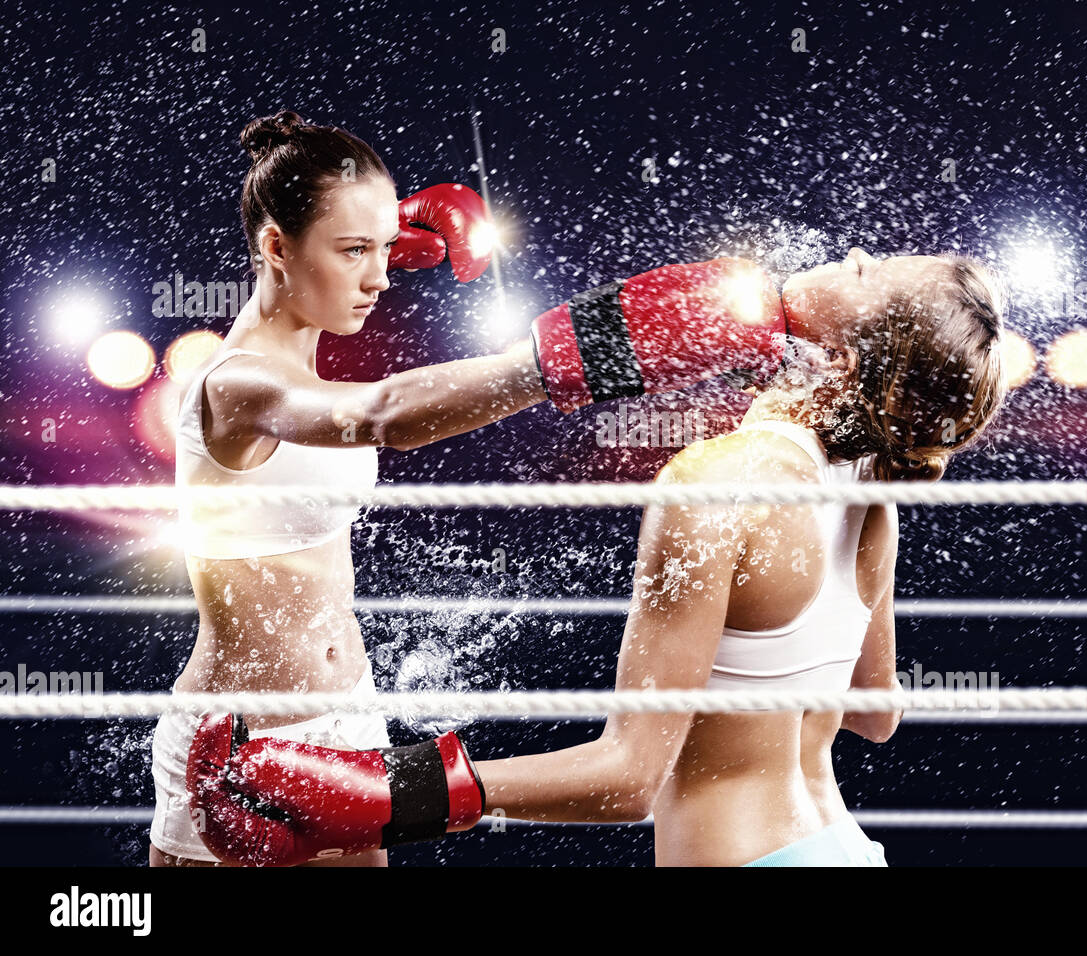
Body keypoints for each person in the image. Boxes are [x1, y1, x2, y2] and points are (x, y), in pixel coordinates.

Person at [188, 245, 1010, 867]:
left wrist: (388, 789)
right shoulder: (871, 490)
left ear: (841, 361)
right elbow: (876, 713)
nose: (854, 253)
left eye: (869, 272)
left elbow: (626, 778)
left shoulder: (716, 484)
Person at [149, 109, 786, 867]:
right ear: (276, 247)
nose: (380, 277)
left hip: (349, 715)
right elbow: (382, 413)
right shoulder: (236, 385)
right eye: (354, 252)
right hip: (239, 740)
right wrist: (571, 356)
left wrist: (363, 232)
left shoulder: (301, 345)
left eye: (387, 249)